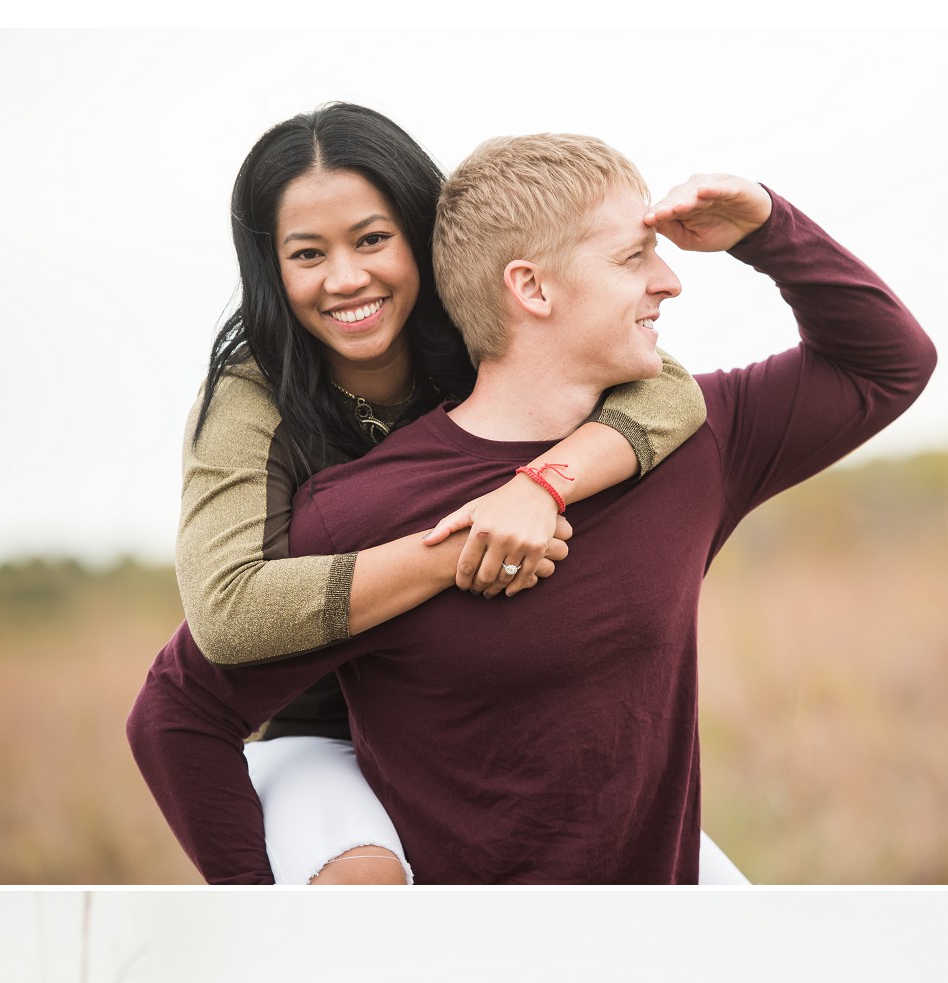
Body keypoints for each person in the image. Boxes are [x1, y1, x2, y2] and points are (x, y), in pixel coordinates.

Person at [129, 134, 935, 883]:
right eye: (633, 257)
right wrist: (251, 914)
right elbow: (185, 699)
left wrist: (767, 223)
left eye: (373, 240)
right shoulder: (340, 495)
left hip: (653, 936)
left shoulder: (693, 440)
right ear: (529, 285)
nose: (670, 279)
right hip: (407, 874)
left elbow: (886, 364)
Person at [177, 102, 718, 886]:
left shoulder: (475, 334)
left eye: (372, 240)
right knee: (364, 887)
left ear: (420, 237)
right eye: (306, 254)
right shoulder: (248, 398)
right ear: (272, 268)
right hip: (324, 730)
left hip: (475, 734)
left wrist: (539, 486)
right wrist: (456, 550)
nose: (345, 278)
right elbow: (226, 612)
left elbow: (668, 391)